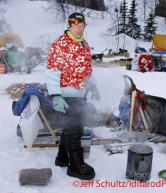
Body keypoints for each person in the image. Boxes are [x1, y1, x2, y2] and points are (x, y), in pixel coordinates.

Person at [46, 12, 101, 180]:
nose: (80, 29)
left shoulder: (85, 44)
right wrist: (55, 95)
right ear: (70, 25)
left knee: (71, 127)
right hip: (64, 94)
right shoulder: (60, 44)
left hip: (79, 94)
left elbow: (87, 70)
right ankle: (75, 165)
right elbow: (53, 72)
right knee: (75, 128)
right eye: (77, 25)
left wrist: (93, 86)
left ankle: (62, 158)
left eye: (83, 26)